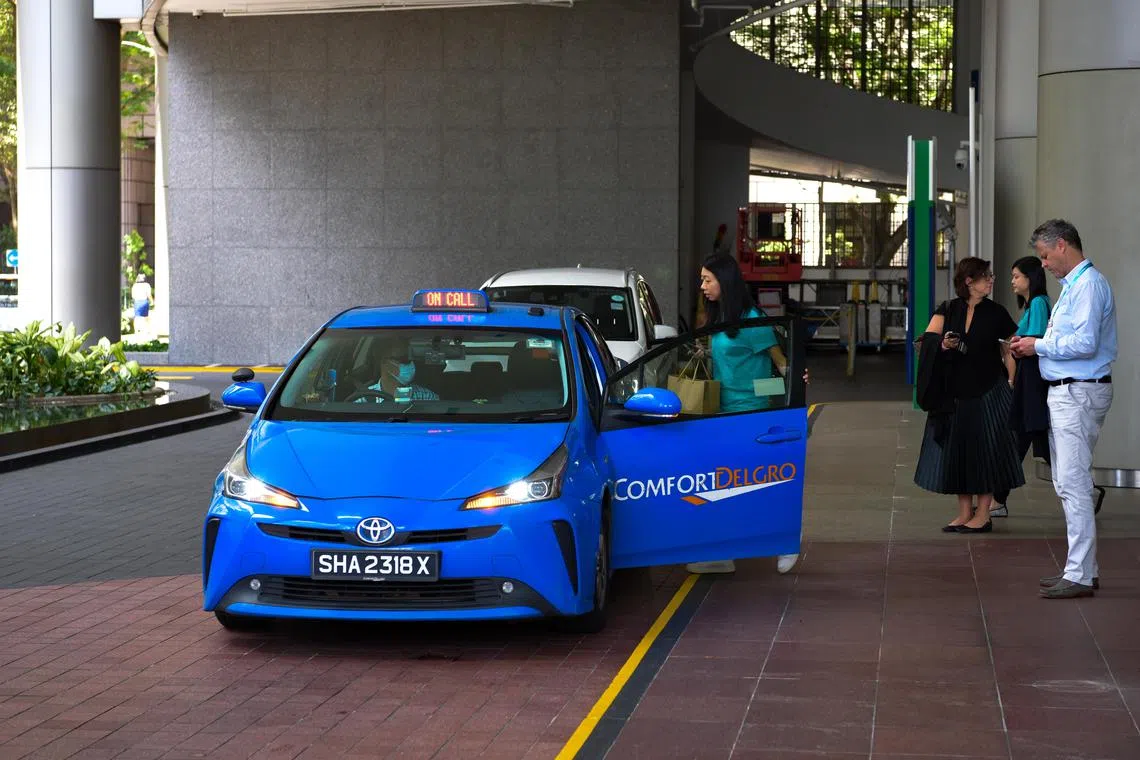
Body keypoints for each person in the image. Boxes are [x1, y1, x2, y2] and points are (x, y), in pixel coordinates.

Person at [1010, 220, 1116, 600]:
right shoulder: (1076, 287)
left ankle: (1080, 574)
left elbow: (1085, 343)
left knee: (1072, 483)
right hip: (1069, 391)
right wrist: (1038, 344)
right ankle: (1083, 568)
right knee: (1068, 483)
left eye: (1044, 256)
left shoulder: (1088, 286)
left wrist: (1037, 347)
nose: (1044, 265)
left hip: (1077, 392)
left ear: (1062, 245)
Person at [687, 252, 803, 576]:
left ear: (724, 281)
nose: (702, 286)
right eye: (702, 279)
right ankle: (724, 552)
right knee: (724, 486)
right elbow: (733, 362)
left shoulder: (752, 320)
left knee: (754, 484)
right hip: (722, 414)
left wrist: (779, 392)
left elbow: (779, 367)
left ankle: (786, 540)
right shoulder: (721, 317)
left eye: (707, 279)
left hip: (751, 417)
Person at [913, 257, 1025, 532]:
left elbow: (1010, 348)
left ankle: (983, 514)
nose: (991, 280)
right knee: (959, 452)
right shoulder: (948, 309)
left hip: (989, 390)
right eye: (985, 276)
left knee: (985, 452)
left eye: (990, 276)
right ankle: (964, 513)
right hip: (955, 392)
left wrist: (1011, 380)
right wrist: (942, 344)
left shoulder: (996, 312)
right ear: (968, 281)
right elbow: (924, 342)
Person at [989, 257, 1052, 518]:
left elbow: (1034, 341)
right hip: (1031, 380)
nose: (1012, 281)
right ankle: (997, 499)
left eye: (1017, 276)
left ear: (1030, 277)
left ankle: (997, 499)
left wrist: (1014, 343)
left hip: (1033, 380)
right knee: (1034, 441)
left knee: (1021, 439)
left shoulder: (1038, 303)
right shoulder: (1034, 304)